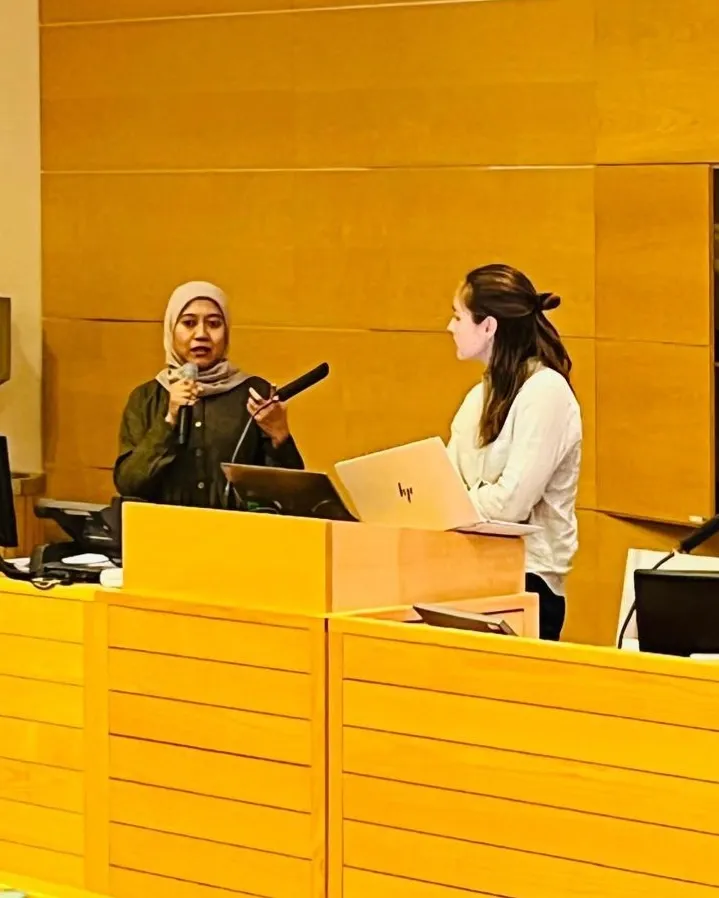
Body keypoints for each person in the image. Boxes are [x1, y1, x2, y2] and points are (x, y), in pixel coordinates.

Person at [446, 264, 581, 640]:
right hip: (467, 573)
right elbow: (443, 484)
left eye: (458, 316)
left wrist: (452, 504)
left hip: (528, 582)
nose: (450, 327)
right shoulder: (479, 397)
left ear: (488, 326)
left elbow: (511, 504)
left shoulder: (546, 391)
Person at [114, 281, 303, 508]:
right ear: (171, 330)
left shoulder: (254, 394)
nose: (201, 334)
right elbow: (129, 483)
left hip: (236, 535)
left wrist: (280, 435)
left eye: (214, 324)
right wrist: (169, 420)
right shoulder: (146, 398)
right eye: (189, 323)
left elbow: (291, 493)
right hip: (164, 533)